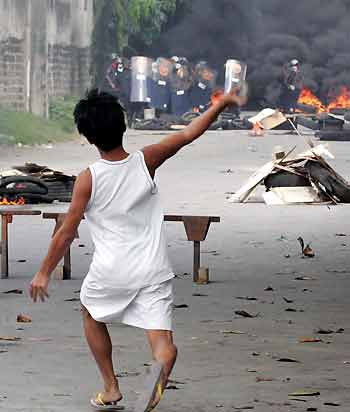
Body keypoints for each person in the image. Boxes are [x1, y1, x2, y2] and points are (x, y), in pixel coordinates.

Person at [29, 87, 246, 410]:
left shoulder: (89, 178)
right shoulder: (146, 160)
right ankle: (164, 356)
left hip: (111, 270)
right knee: (161, 340)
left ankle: (111, 387)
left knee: (90, 311)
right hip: (153, 268)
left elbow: (66, 232)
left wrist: (44, 272)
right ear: (123, 126)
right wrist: (220, 105)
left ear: (88, 137)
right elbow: (188, 134)